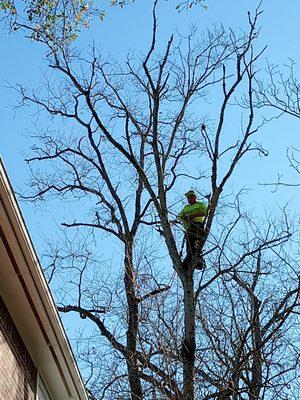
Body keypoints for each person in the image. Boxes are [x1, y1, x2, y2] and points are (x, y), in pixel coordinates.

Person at [178, 190, 207, 269]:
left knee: (194, 243)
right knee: (189, 245)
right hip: (189, 228)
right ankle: (192, 260)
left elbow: (205, 212)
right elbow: (179, 216)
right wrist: (183, 217)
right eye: (188, 198)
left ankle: (195, 260)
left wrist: (192, 215)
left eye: (190, 198)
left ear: (194, 197)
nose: (189, 200)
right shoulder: (186, 207)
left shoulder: (200, 204)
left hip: (197, 226)